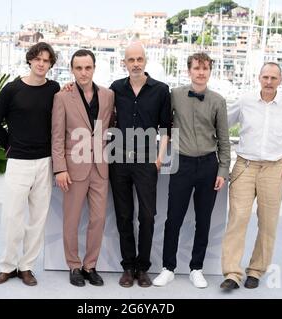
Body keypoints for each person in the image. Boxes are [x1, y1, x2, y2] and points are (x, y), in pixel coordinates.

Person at [220, 62, 282, 290]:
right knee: (237, 219)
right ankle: (232, 273)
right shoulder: (244, 101)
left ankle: (256, 270)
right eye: (265, 77)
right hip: (244, 166)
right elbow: (222, 125)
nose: (269, 82)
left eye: (273, 78)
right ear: (258, 78)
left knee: (268, 222)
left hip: (274, 169)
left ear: (280, 80)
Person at [152, 53, 230, 288]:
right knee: (173, 218)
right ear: (189, 70)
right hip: (181, 164)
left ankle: (197, 268)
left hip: (208, 165)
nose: (201, 72)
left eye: (205, 68)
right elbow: (162, 122)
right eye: (196, 68)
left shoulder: (218, 101)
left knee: (203, 220)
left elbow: (224, 140)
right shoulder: (174, 95)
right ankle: (168, 268)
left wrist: (223, 170)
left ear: (210, 72)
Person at [0, 42, 60, 286]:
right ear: (30, 60)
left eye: (46, 60)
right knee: (11, 217)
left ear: (51, 64)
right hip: (18, 162)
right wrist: (9, 146)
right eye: (37, 59)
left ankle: (26, 266)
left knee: (37, 219)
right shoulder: (12, 89)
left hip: (45, 161)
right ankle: (7, 266)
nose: (41, 63)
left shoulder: (54, 89)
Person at [109, 42, 172, 288]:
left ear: (145, 61)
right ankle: (128, 267)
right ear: (124, 62)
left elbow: (166, 127)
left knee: (147, 216)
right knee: (123, 215)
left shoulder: (160, 90)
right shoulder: (116, 88)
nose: (135, 63)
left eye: (139, 59)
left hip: (147, 160)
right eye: (131, 60)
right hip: (120, 160)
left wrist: (159, 158)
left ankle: (143, 268)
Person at [52, 49, 114, 287]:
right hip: (73, 168)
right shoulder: (62, 97)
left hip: (100, 167)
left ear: (94, 68)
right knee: (72, 219)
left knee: (98, 219)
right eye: (78, 68)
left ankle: (90, 265)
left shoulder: (108, 96)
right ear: (72, 70)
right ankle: (74, 266)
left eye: (87, 67)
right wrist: (60, 169)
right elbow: (57, 136)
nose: (83, 72)